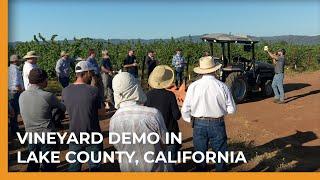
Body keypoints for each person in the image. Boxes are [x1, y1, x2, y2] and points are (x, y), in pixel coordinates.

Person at [181, 56, 236, 172]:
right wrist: (221, 111)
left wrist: (189, 119)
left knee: (200, 152)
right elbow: (231, 109)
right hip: (217, 122)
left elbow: (185, 109)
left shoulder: (193, 86)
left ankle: (201, 171)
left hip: (198, 122)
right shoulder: (222, 86)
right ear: (215, 70)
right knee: (220, 151)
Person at [110, 72, 169, 172]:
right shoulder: (153, 114)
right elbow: (165, 142)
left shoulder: (114, 119)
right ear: (136, 88)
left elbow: (117, 145)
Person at [19, 68, 66, 171]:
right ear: (42, 80)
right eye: (46, 79)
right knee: (49, 166)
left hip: (31, 136)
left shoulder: (22, 96)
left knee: (33, 165)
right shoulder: (47, 96)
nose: (47, 81)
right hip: (47, 136)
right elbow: (63, 107)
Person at [62, 61, 102, 172]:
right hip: (92, 134)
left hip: (75, 134)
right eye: (91, 72)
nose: (92, 74)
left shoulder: (65, 91)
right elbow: (102, 113)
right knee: (94, 167)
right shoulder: (93, 90)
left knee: (74, 166)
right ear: (87, 72)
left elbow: (66, 111)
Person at [145, 65, 181, 170]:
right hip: (170, 132)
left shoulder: (148, 95)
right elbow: (177, 116)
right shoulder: (170, 95)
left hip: (154, 133)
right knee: (170, 163)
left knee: (156, 162)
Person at [8, 55, 24, 136]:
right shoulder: (15, 70)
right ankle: (15, 131)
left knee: (12, 112)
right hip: (15, 93)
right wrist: (22, 92)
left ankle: (14, 129)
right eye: (19, 60)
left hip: (11, 92)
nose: (20, 62)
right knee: (14, 112)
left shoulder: (9, 68)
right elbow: (17, 84)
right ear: (15, 61)